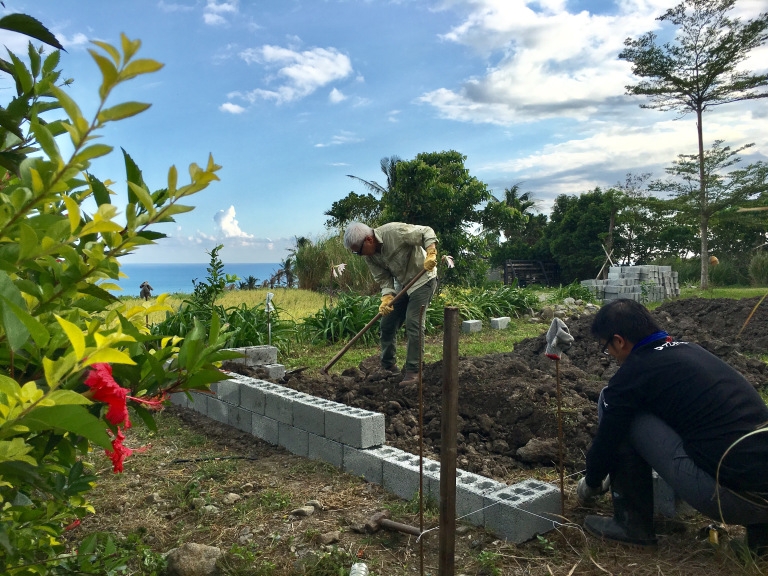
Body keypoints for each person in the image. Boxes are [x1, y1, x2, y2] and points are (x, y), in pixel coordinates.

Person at [577, 298, 768, 554]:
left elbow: (608, 439)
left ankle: (631, 525)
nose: (609, 354)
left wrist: (591, 482)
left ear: (619, 340)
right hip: (761, 488)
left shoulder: (635, 372)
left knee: (611, 402)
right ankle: (762, 536)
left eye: (606, 347)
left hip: (733, 499)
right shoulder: (691, 351)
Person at [343, 222, 438, 385]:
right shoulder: (370, 256)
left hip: (423, 279)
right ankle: (389, 367)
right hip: (402, 285)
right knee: (387, 324)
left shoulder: (395, 232)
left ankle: (414, 371)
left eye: (358, 251)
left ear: (369, 240)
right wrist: (387, 298)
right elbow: (384, 279)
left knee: (413, 322)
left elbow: (426, 231)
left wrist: (431, 252)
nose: (360, 255)